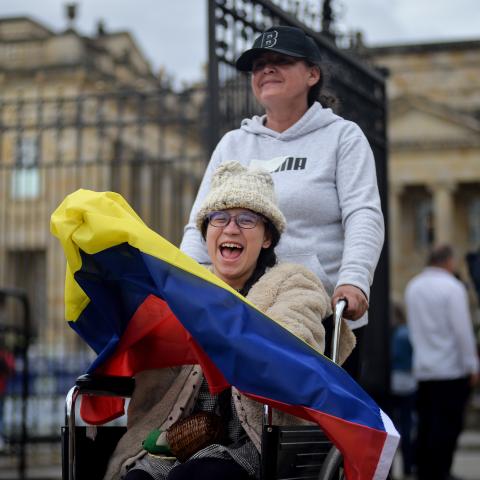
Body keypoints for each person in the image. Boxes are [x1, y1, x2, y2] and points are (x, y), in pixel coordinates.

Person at [104, 162, 356, 480]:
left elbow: (295, 341)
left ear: (267, 238)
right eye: (219, 218)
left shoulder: (294, 282)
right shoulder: (185, 287)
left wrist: (227, 328)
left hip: (253, 441)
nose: (231, 228)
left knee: (198, 477)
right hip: (175, 438)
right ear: (207, 232)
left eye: (246, 219)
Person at [180, 25, 384, 380]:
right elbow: (201, 221)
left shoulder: (342, 137)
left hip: (320, 313)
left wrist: (354, 279)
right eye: (259, 65)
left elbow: (362, 213)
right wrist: (182, 281)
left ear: (312, 74)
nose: (266, 70)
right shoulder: (234, 144)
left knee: (311, 431)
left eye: (281, 61)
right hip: (245, 310)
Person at [405, 245, 480, 480]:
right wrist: (472, 365)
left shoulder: (413, 286)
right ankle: (441, 470)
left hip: (424, 368)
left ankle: (425, 470)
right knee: (448, 424)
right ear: (448, 262)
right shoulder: (453, 287)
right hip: (450, 368)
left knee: (426, 423)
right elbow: (462, 331)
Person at [389, 302, 416, 479]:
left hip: (393, 381)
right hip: (408, 382)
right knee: (407, 426)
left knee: (393, 427)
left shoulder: (392, 335)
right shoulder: (406, 334)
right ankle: (407, 466)